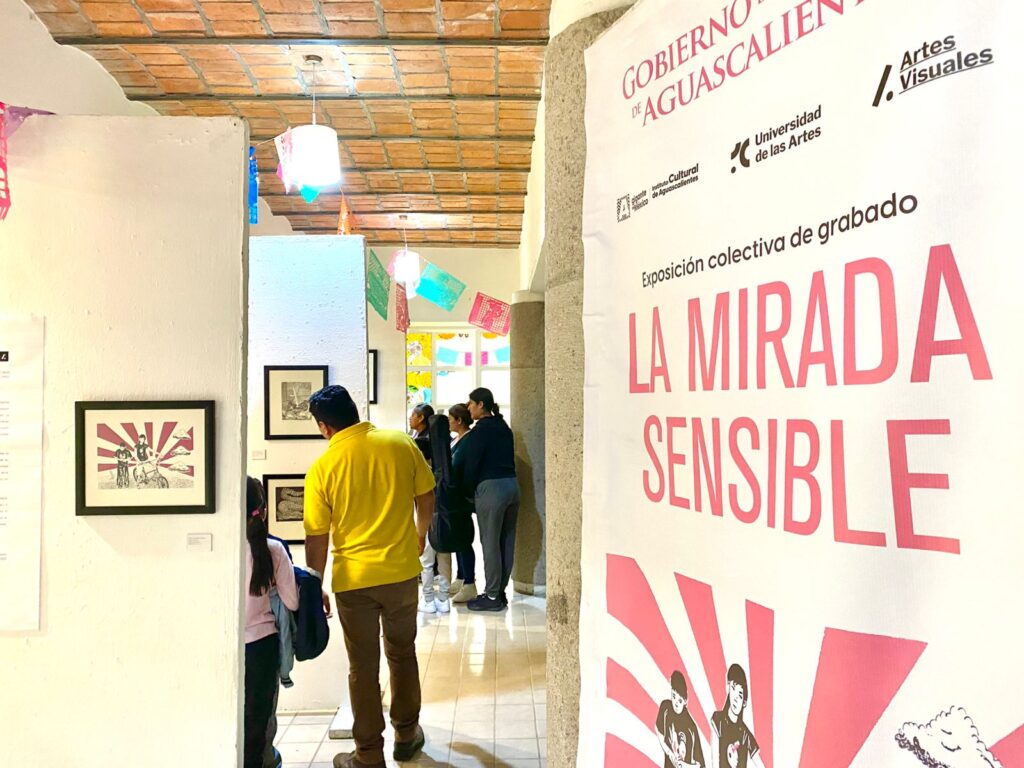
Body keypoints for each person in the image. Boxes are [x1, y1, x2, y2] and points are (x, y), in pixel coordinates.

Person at [303, 385, 435, 768]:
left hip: (353, 581)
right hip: (400, 573)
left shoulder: (323, 467)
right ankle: (406, 734)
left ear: (325, 426)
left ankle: (368, 754)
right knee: (402, 652)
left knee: (362, 667)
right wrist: (419, 534)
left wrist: (315, 583)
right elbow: (426, 495)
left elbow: (317, 535)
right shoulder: (399, 443)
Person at [245, 476, 299, 768]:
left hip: (224, 645)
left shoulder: (218, 548)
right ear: (263, 510)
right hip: (261, 645)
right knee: (258, 719)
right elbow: (292, 602)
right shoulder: (273, 550)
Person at [455, 387, 519, 612]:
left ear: (481, 404)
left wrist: (467, 491)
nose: (468, 407)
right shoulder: (503, 426)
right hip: (512, 485)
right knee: (506, 542)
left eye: (471, 403)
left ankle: (491, 596)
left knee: (490, 543)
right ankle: (499, 592)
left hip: (491, 489)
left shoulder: (480, 431)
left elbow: (472, 465)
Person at [447, 404, 478, 603]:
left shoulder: (468, 440)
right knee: (457, 536)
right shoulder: (455, 440)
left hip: (463, 495)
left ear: (459, 420)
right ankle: (460, 576)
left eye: (451, 419)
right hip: (454, 495)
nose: (449, 422)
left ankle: (469, 581)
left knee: (464, 538)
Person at [710, 664, 764, 768]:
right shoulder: (718, 721)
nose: (735, 698)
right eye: (733, 688)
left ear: (744, 702)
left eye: (740, 696)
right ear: (728, 688)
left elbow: (759, 763)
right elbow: (715, 762)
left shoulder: (745, 734)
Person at [656, 671, 704, 768]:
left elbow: (700, 765)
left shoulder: (691, 728)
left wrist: (684, 766)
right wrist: (669, 753)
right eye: (674, 696)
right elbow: (658, 730)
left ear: (685, 701)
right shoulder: (665, 708)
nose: (676, 703)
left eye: (680, 700)